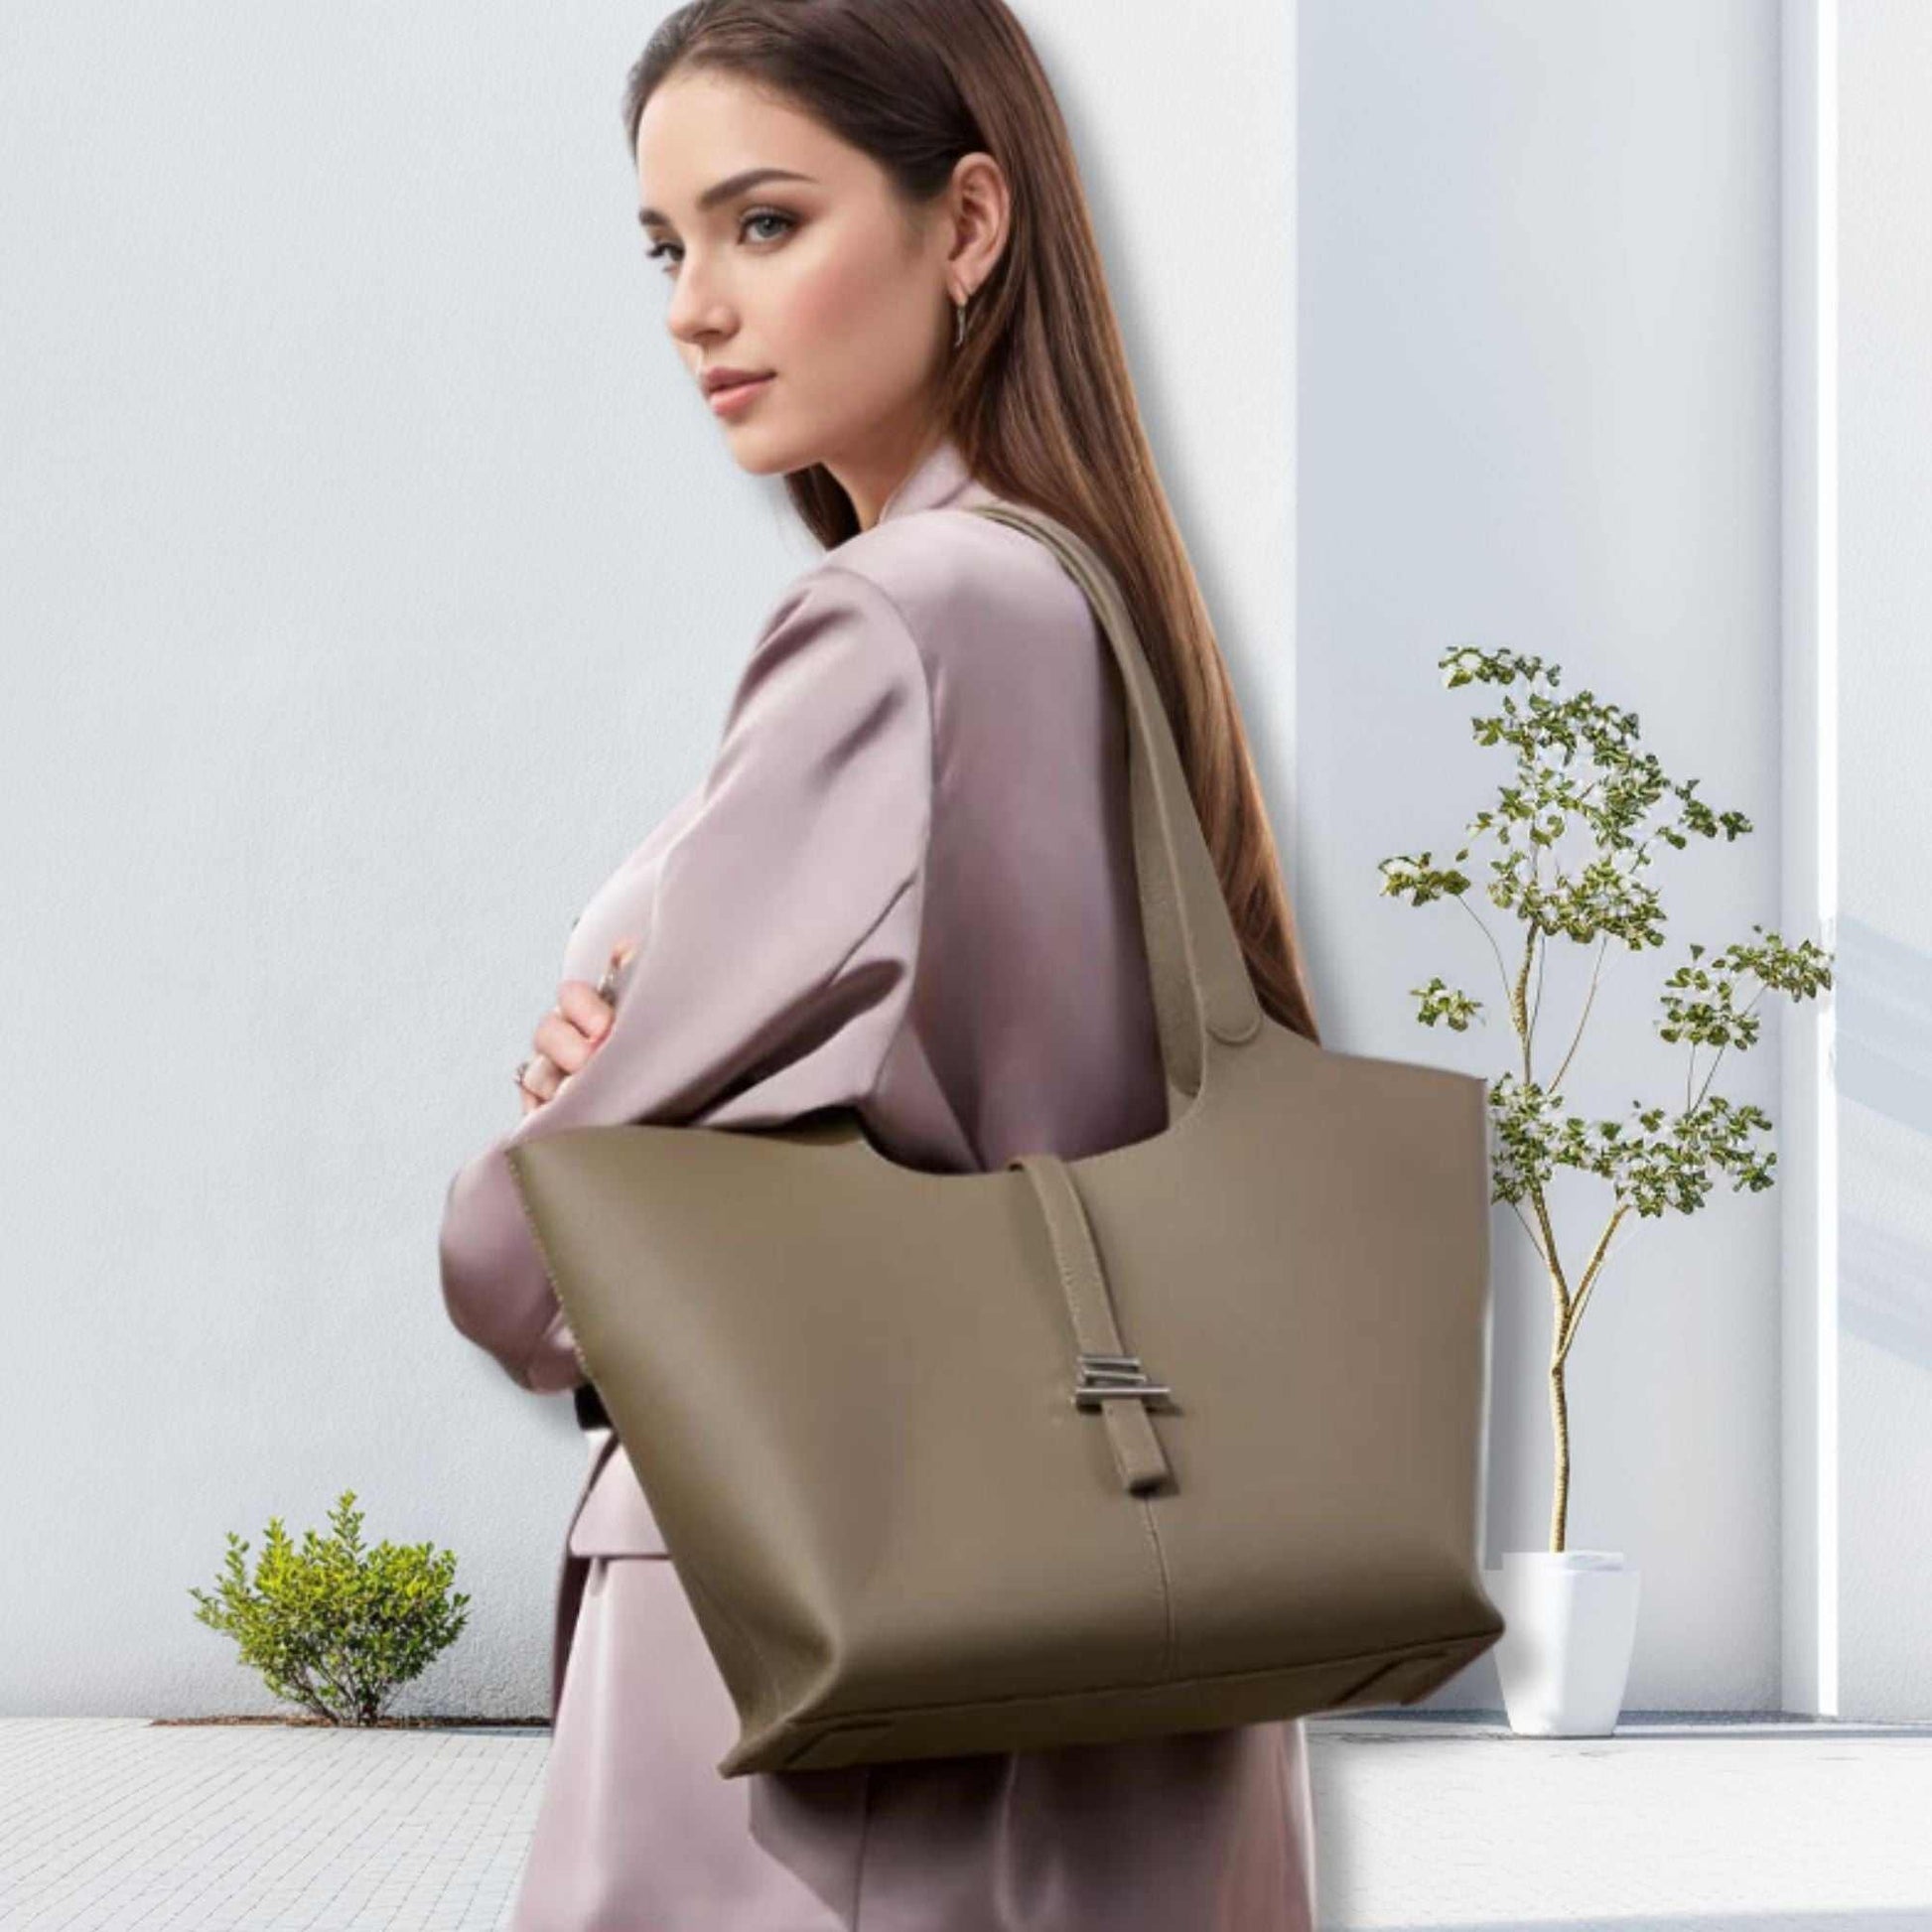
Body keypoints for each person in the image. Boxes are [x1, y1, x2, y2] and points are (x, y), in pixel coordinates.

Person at [438, 1, 1326, 1924]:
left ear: (969, 223)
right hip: (1114, 1697)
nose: (693, 304)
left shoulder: (895, 628)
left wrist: (572, 1113)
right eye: (666, 246)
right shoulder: (1096, 609)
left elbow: (529, 1252)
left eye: (763, 224)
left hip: (822, 1734)